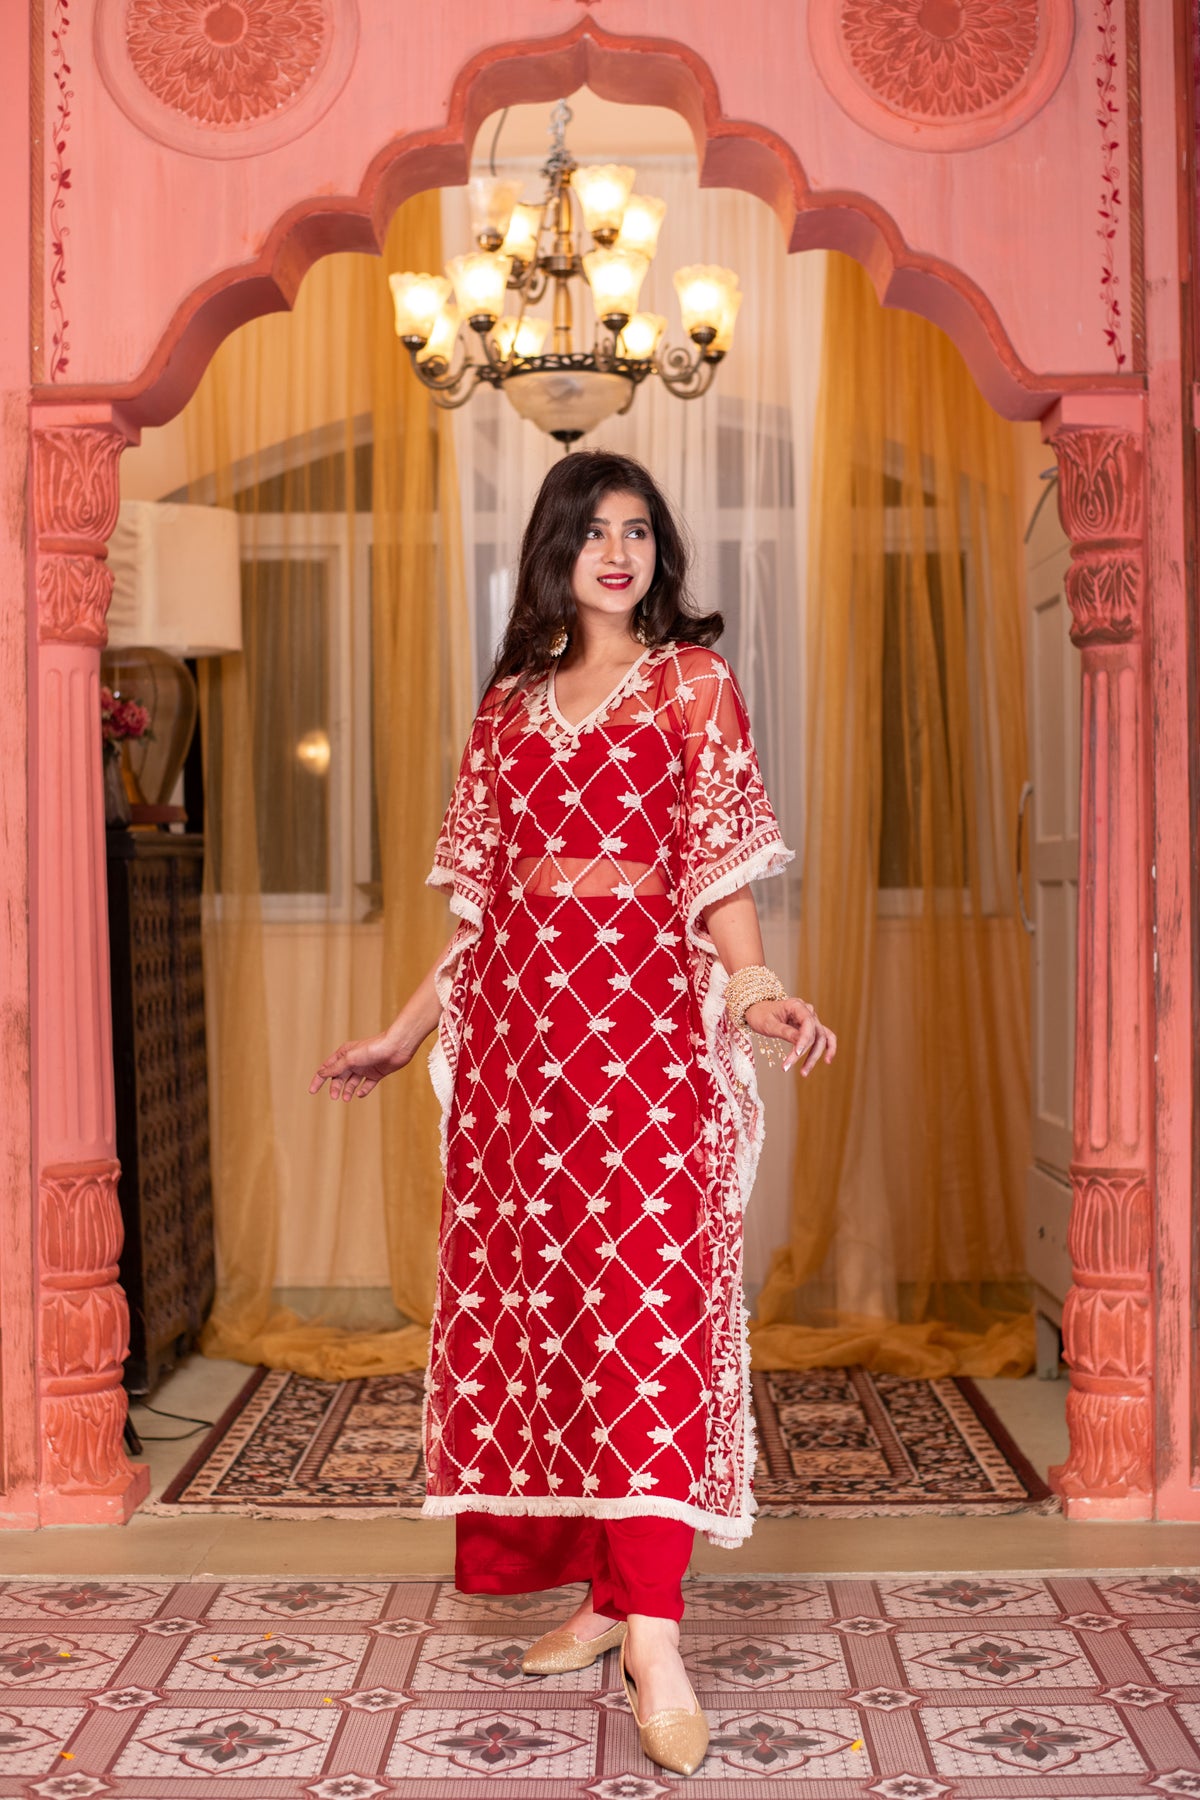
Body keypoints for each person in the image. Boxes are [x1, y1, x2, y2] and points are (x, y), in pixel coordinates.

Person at [311, 450, 836, 1777]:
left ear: (660, 552)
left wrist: (760, 993)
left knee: (651, 1313)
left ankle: (656, 1635)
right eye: (595, 531)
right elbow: (479, 914)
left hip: (646, 1041)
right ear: (555, 550)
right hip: (520, 1061)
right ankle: (605, 1597)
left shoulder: (692, 684)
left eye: (639, 531)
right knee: (561, 1319)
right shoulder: (507, 710)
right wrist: (400, 1037)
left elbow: (720, 872)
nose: (618, 552)